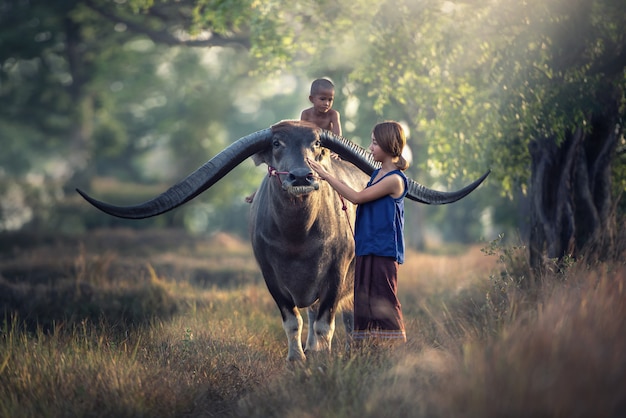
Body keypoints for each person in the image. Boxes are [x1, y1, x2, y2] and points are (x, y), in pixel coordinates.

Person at [307, 121, 409, 348]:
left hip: (384, 250)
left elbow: (357, 197)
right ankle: (367, 352)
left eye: (374, 143)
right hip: (366, 247)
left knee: (384, 301)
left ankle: (396, 352)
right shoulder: (377, 174)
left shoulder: (394, 179)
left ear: (388, 144)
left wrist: (326, 175)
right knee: (363, 302)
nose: (370, 148)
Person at [245, 78, 342, 203]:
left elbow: (337, 135)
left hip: (324, 149)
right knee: (277, 168)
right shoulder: (306, 114)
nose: (327, 103)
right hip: (306, 150)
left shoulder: (334, 114)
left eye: (330, 100)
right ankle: (259, 192)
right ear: (312, 99)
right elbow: (301, 133)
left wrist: (336, 150)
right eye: (322, 99)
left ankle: (342, 195)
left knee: (338, 170)